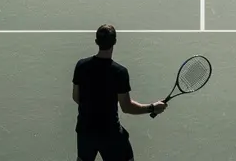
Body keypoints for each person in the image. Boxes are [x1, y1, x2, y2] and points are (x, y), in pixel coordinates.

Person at [72, 24, 168, 161]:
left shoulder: (81, 65)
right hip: (110, 134)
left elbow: (76, 97)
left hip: (85, 131)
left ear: (96, 42)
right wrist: (152, 107)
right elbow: (126, 107)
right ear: (115, 42)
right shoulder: (119, 72)